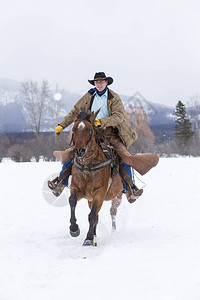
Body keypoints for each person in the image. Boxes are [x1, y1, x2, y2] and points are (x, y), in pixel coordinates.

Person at [49, 72, 159, 202]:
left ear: (106, 82)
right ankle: (61, 183)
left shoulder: (114, 97)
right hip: (90, 133)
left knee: (124, 156)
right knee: (71, 152)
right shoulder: (89, 96)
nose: (99, 84)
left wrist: (101, 122)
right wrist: (62, 125)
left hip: (110, 133)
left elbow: (119, 117)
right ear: (94, 83)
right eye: (97, 82)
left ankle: (129, 188)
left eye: (102, 82)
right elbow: (74, 112)